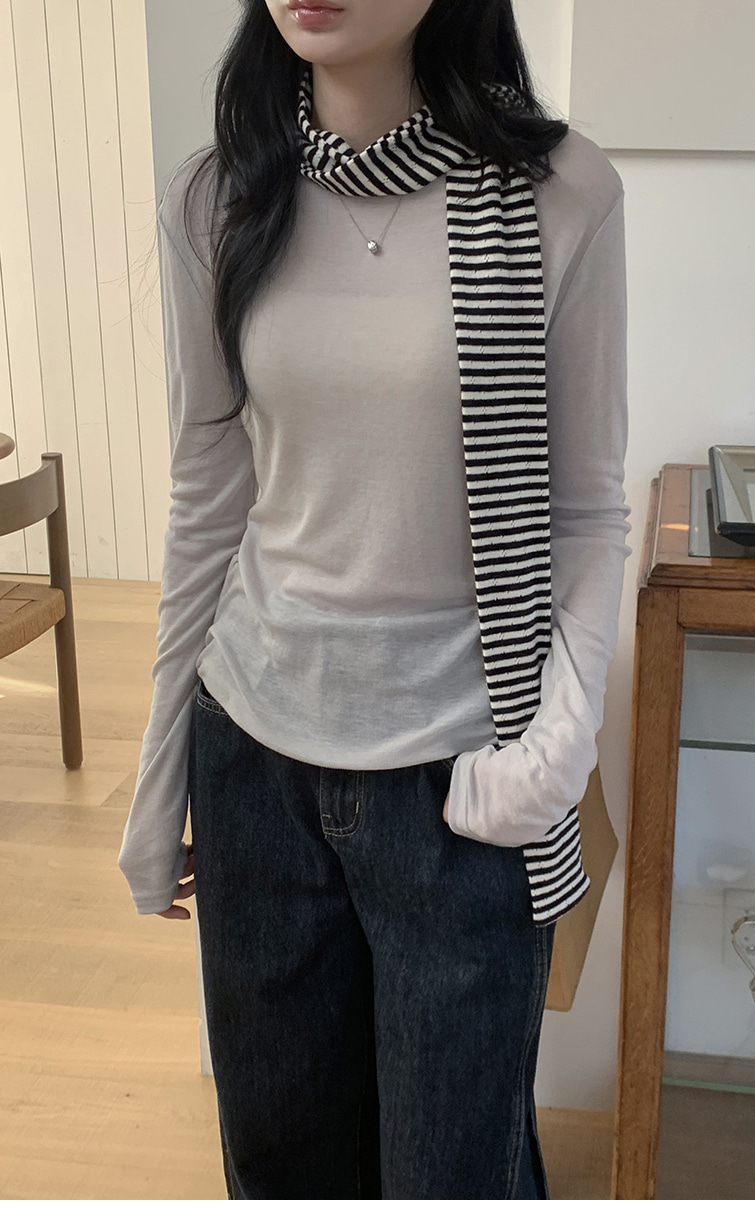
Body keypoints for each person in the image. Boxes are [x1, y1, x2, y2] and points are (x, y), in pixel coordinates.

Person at [117, 0, 629, 1198]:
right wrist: (159, 774)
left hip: (460, 783)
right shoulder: (217, 196)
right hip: (253, 760)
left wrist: (556, 750)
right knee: (283, 1168)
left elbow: (586, 508)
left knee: (458, 1172)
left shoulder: (560, 193)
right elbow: (209, 498)